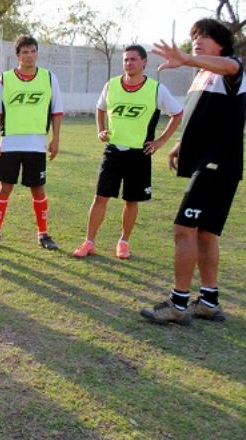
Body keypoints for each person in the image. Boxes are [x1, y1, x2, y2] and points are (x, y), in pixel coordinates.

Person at [140, 19, 245, 325]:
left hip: (217, 164)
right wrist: (179, 144)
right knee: (206, 234)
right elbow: (200, 117)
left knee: (183, 230)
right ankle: (209, 302)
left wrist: (186, 58)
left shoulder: (231, 68)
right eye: (195, 37)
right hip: (215, 164)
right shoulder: (202, 76)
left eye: (205, 36)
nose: (197, 41)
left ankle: (178, 304)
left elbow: (230, 66)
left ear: (221, 43)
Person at [73, 45, 183, 259]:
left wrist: (161, 141)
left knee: (131, 200)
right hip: (113, 151)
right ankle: (89, 241)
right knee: (100, 198)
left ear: (144, 63)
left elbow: (177, 113)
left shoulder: (156, 89)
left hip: (139, 154)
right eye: (125, 60)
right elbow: (100, 108)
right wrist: (100, 130)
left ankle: (123, 242)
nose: (128, 64)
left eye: (133, 59)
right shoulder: (111, 85)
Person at [0, 35, 63, 250]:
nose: (29, 56)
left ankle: (43, 234)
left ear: (37, 53)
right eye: (25, 52)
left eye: (33, 51)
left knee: (38, 190)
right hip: (9, 143)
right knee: (4, 188)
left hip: (36, 145)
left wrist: (56, 139)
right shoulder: (5, 78)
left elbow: (57, 112)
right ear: (18, 56)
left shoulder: (49, 78)